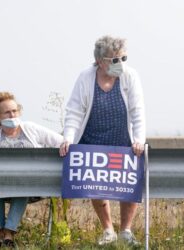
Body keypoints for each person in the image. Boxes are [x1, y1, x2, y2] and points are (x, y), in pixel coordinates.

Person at [59, 35, 146, 246]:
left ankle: (126, 230)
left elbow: (137, 111)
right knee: (96, 184)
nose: (121, 64)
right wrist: (68, 138)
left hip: (122, 139)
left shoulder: (130, 76)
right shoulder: (85, 77)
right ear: (100, 60)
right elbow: (74, 111)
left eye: (123, 58)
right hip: (93, 139)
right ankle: (108, 230)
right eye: (114, 60)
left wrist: (138, 139)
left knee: (128, 184)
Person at [0, 92, 63, 247]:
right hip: (2, 186)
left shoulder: (31, 128)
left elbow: (60, 141)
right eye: (7, 112)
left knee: (23, 186)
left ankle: (9, 232)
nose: (12, 114)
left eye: (14, 111)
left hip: (31, 186)